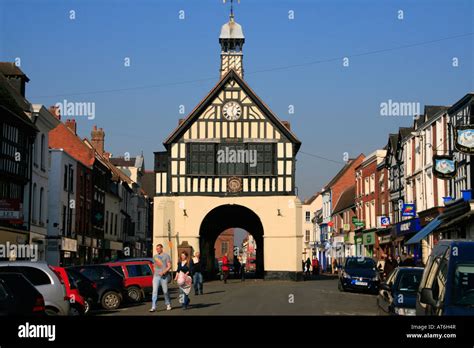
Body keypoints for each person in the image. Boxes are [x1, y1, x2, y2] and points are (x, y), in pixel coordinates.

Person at [150, 244, 172, 312]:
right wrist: (155, 271)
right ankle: (153, 306)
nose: (157, 250)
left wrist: (163, 272)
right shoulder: (155, 256)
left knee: (165, 291)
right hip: (156, 276)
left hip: (163, 276)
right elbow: (154, 265)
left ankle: (168, 304)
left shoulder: (166, 256)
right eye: (156, 249)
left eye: (159, 248)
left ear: (162, 248)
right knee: (154, 291)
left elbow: (169, 266)